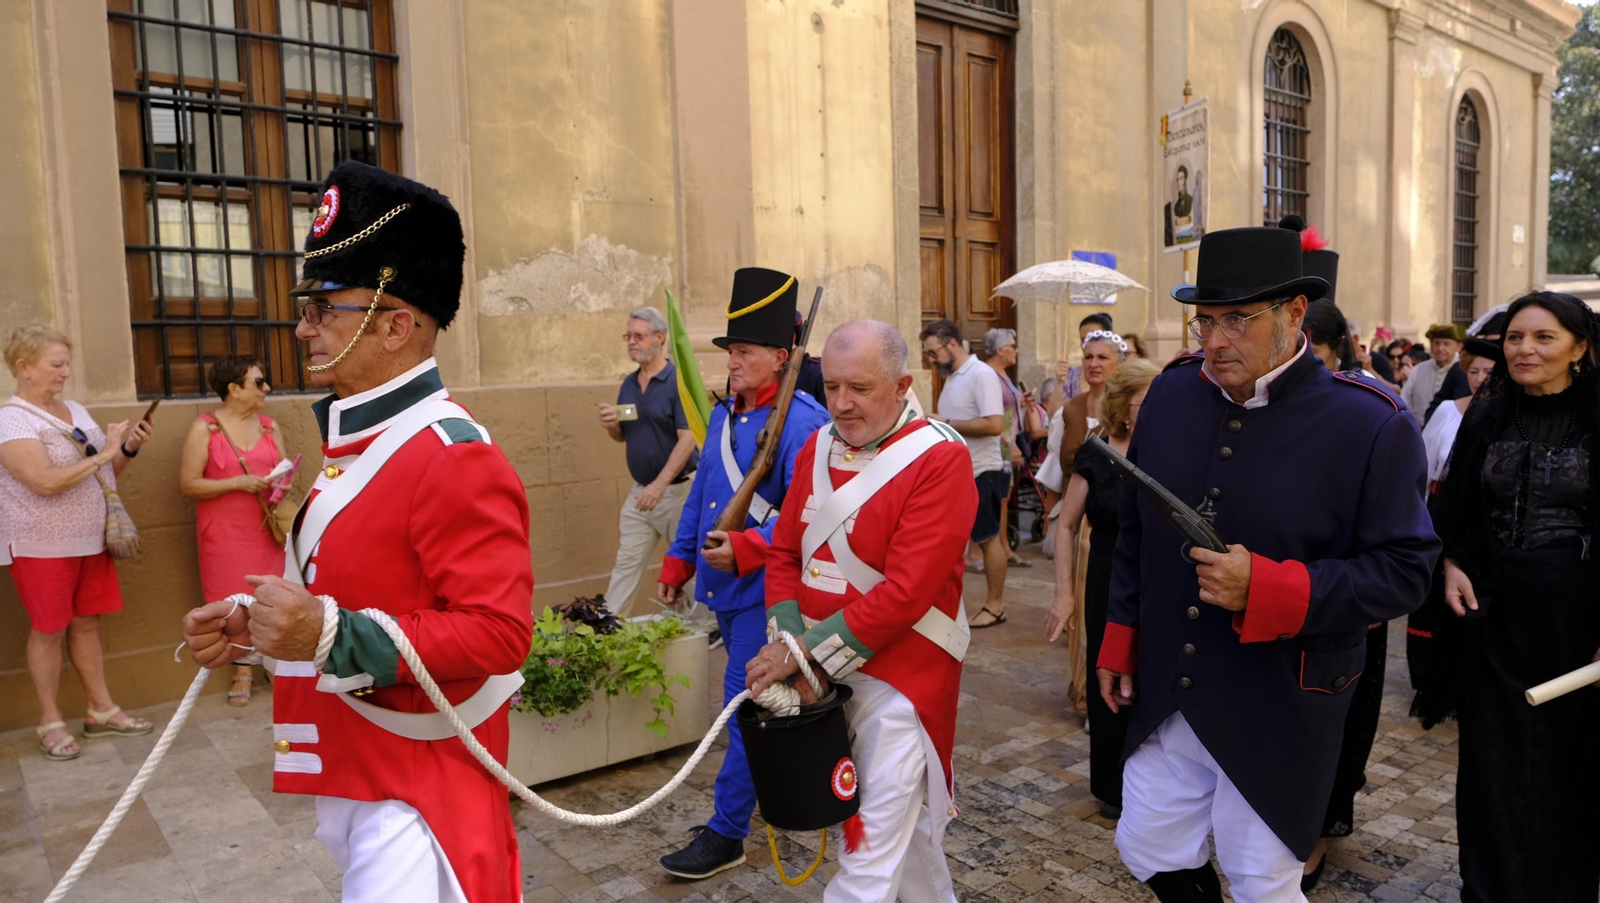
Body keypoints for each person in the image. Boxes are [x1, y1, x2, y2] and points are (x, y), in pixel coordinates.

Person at [180, 161, 534, 902]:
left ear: (399, 325)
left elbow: (500, 632)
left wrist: (327, 633)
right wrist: (256, 627)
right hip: (365, 764)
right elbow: (350, 588)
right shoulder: (368, 441)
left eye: (324, 308)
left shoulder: (451, 455)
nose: (304, 326)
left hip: (419, 789)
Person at [1096, 226, 1438, 902]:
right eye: (1205, 322)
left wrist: (1273, 586)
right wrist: (1121, 636)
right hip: (1172, 682)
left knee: (1262, 878)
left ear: (1293, 314)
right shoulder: (1170, 395)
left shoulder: (1371, 422)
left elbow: (1406, 570)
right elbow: (1138, 531)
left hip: (1280, 694)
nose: (1215, 341)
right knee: (1148, 842)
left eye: (1237, 320)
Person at [750, 318, 976, 903]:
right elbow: (782, 556)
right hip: (820, 665)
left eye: (861, 389)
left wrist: (804, 657)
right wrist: (786, 641)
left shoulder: (939, 457)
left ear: (902, 385)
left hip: (903, 676)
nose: (842, 405)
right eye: (832, 388)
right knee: (905, 841)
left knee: (868, 852)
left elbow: (906, 592)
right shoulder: (816, 444)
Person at [1420, 291, 1600, 903]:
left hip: (1578, 624)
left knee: (1569, 770)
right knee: (1491, 767)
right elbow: (1454, 508)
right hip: (1493, 621)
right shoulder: (1489, 415)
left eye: (1544, 337)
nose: (1525, 349)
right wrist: (1450, 563)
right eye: (1516, 338)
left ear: (1579, 347)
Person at [653, 267, 830, 879]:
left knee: (743, 712)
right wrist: (679, 558)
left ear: (780, 357)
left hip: (764, 594)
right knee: (748, 712)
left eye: (745, 351)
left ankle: (726, 835)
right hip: (725, 590)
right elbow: (704, 491)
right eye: (731, 351)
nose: (732, 361)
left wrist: (751, 549)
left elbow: (809, 518)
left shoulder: (803, 422)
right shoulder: (730, 414)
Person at [1, 326, 155, 761]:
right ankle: (50, 720)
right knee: (48, 630)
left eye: (66, 363)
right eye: (56, 364)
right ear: (24, 368)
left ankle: (100, 709)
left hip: (91, 539)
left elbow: (103, 477)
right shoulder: (12, 419)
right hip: (41, 544)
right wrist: (105, 453)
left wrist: (126, 449)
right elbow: (43, 483)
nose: (65, 373)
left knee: (87, 623)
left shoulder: (73, 410)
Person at [1046, 358, 1158, 820]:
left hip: (1157, 580)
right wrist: (1064, 594)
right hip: (1108, 578)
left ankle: (1156, 782)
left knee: (1152, 677)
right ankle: (1113, 786)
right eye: (1148, 402)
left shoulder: (1171, 452)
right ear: (1123, 406)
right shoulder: (1098, 452)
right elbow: (1067, 525)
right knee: (1107, 673)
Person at [178, 355, 288, 707]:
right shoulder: (205, 428)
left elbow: (283, 473)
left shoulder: (270, 426)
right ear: (234, 388)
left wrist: (280, 486)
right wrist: (240, 482)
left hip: (265, 530)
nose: (266, 388)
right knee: (230, 601)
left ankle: (275, 663)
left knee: (270, 596)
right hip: (224, 533)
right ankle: (242, 668)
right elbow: (188, 484)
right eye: (258, 382)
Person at [598, 307, 699, 614]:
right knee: (626, 563)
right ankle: (607, 632)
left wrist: (659, 485)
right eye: (628, 336)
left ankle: (706, 628)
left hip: (677, 492)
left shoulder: (675, 382)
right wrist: (612, 426)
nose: (632, 342)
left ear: (660, 337)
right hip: (640, 493)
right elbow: (625, 435)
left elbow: (689, 437)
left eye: (639, 335)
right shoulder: (629, 384)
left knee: (686, 566)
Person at [920, 319, 1009, 628]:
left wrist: (946, 422)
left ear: (953, 345)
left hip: (983, 470)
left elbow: (994, 426)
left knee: (988, 539)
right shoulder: (955, 376)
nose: (931, 360)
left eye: (933, 353)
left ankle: (995, 606)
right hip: (959, 473)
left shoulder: (981, 374)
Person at [983, 327, 1040, 569]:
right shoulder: (988, 375)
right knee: (999, 499)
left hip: (1008, 443)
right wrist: (1010, 443)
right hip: (999, 445)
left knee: (1005, 499)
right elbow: (991, 415)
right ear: (999, 350)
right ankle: (998, 549)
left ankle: (1005, 547)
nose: (1016, 350)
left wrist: (1024, 402)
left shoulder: (1003, 374)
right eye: (1013, 345)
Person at [1401, 323, 1464, 419]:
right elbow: (1404, 400)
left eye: (1446, 343)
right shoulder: (1419, 369)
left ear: (1458, 347)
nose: (1440, 348)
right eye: (1436, 343)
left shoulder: (1464, 370)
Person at [1058, 312, 1114, 400]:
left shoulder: (1119, 379)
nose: (1087, 343)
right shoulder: (1070, 375)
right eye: (1083, 339)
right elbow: (1055, 412)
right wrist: (1059, 382)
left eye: (1093, 338)